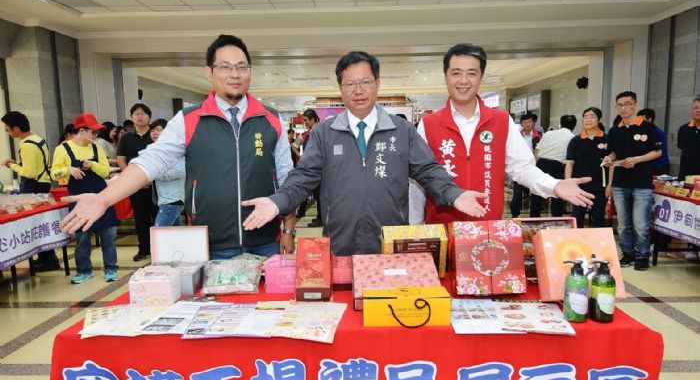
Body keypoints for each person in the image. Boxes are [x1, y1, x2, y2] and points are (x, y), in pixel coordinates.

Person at [241, 50, 509, 256]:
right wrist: (277, 202)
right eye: (350, 84)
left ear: (377, 83)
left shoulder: (401, 130)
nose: (358, 91)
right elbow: (303, 177)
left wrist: (453, 193)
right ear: (341, 88)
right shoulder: (325, 133)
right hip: (340, 242)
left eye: (365, 82)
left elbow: (428, 170)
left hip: (390, 241)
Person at [60, 34, 296, 259]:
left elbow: (287, 180)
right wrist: (104, 198)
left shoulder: (271, 119)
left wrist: (288, 229)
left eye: (242, 67)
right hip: (210, 242)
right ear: (209, 72)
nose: (235, 74)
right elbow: (150, 162)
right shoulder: (188, 120)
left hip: (266, 240)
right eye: (225, 67)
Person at [409, 43, 592, 226]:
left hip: (488, 227)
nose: (463, 81)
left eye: (471, 73)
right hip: (442, 228)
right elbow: (419, 180)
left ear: (481, 77)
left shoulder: (501, 121)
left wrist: (554, 185)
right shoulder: (429, 123)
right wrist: (415, 227)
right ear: (446, 76)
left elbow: (522, 168)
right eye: (456, 73)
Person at [51, 113, 119, 284]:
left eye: (97, 133)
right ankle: (84, 271)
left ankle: (111, 268)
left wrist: (93, 164)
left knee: (109, 235)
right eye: (93, 132)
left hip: (101, 197)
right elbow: (54, 173)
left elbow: (105, 172)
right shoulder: (63, 149)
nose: (96, 136)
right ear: (82, 131)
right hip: (79, 200)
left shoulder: (97, 148)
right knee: (82, 238)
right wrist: (68, 170)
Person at [603, 91, 662, 271]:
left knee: (641, 224)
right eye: (620, 105)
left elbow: (657, 152)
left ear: (635, 105)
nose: (624, 108)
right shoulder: (615, 130)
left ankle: (642, 255)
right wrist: (609, 158)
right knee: (623, 224)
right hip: (620, 183)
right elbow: (614, 152)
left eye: (628, 104)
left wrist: (637, 159)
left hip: (642, 183)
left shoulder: (648, 127)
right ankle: (627, 253)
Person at [1, 111, 61, 272]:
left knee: (35, 224)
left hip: (33, 187)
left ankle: (47, 260)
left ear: (16, 128)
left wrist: (11, 165)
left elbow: (29, 173)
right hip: (43, 184)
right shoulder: (38, 139)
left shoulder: (26, 144)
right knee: (41, 222)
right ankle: (47, 258)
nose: (7, 131)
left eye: (7, 128)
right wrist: (17, 163)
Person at [117, 103, 158, 261]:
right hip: (136, 186)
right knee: (141, 219)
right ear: (131, 117)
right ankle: (144, 249)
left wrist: (151, 177)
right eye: (136, 113)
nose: (139, 116)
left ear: (149, 117)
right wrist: (133, 178)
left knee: (159, 218)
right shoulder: (126, 137)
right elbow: (121, 159)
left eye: (143, 113)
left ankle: (160, 249)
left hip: (156, 185)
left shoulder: (155, 135)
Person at [565, 107, 610, 228]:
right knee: (577, 217)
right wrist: (568, 183)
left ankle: (597, 240)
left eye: (592, 117)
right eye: (585, 117)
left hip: (600, 186)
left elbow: (612, 164)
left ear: (600, 120)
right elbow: (569, 163)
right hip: (579, 187)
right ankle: (577, 240)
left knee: (598, 218)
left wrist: (610, 185)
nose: (588, 120)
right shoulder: (575, 141)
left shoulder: (607, 139)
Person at [529, 114, 576, 217]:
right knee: (557, 193)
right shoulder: (573, 138)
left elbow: (537, 150)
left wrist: (536, 165)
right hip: (557, 166)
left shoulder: (548, 133)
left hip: (541, 164)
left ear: (560, 124)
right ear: (574, 126)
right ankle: (556, 218)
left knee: (537, 193)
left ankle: (533, 218)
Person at [149, 118, 185, 227]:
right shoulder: (156, 149)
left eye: (158, 130)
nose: (154, 133)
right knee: (174, 233)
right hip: (166, 199)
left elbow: (180, 171)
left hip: (172, 199)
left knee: (159, 233)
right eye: (152, 130)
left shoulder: (175, 149)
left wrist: (155, 175)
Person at [677, 95, 700, 261]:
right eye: (695, 108)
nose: (698, 111)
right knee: (690, 213)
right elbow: (682, 150)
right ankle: (692, 247)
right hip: (687, 178)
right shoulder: (684, 129)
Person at [509, 113, 543, 218]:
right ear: (521, 124)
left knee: (536, 192)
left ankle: (534, 216)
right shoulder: (516, 136)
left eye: (529, 122)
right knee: (517, 193)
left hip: (534, 168)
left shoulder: (539, 136)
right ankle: (515, 215)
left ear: (533, 123)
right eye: (525, 122)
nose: (527, 124)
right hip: (519, 167)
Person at [296, 109, 323, 227]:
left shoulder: (321, 131)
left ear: (313, 119)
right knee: (316, 195)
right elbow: (294, 146)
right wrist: (301, 156)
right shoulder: (306, 134)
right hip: (310, 169)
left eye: (306, 120)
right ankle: (319, 217)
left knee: (320, 195)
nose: (305, 122)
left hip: (320, 169)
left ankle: (321, 218)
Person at [637, 108, 670, 176]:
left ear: (650, 119)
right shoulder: (644, 131)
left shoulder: (656, 132)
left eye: (642, 119)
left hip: (660, 165)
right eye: (638, 119)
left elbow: (656, 150)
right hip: (650, 164)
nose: (639, 122)